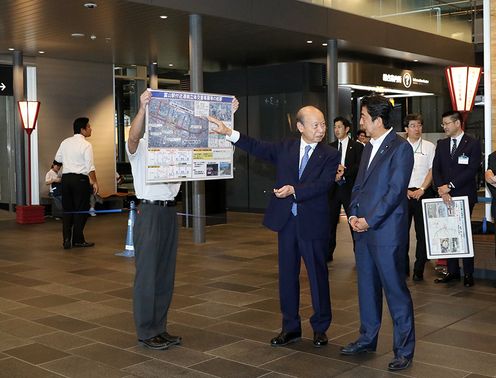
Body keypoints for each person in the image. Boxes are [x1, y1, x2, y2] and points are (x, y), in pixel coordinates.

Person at [209, 105, 340, 348]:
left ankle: (320, 328)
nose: (321, 130)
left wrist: (295, 190)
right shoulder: (286, 148)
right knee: (287, 276)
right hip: (287, 222)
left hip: (313, 223)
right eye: (316, 125)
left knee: (317, 276)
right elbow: (257, 146)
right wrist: (229, 132)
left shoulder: (330, 154)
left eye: (323, 124)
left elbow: (324, 186)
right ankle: (290, 327)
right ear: (300, 127)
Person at [340, 95, 415, 372]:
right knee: (367, 288)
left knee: (395, 291)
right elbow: (359, 186)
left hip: (386, 233)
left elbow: (395, 192)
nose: (360, 122)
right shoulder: (368, 147)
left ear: (378, 120)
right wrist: (354, 215)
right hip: (363, 230)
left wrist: (369, 220)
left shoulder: (400, 148)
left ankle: (404, 350)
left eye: (363, 117)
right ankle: (367, 338)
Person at [127, 90, 182, 351]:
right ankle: (146, 330)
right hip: (148, 212)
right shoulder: (143, 144)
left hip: (170, 212)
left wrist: (230, 113)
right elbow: (133, 136)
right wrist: (141, 108)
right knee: (148, 273)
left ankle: (159, 327)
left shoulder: (179, 145)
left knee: (165, 274)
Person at [432, 110, 481, 287]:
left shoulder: (472, 144)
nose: (444, 127)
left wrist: (450, 186)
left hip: (464, 195)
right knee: (447, 233)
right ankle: (452, 271)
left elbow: (471, 170)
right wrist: (442, 190)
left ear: (457, 123)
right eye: (443, 124)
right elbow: (436, 169)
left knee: (463, 234)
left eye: (447, 123)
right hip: (445, 197)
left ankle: (468, 273)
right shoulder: (442, 144)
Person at [55, 117, 98, 249]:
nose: (91, 129)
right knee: (81, 210)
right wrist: (95, 182)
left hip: (66, 179)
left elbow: (57, 161)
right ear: (82, 130)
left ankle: (66, 239)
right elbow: (90, 166)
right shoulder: (86, 145)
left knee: (67, 210)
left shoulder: (65, 142)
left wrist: (52, 172)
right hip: (80, 180)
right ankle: (78, 239)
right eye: (89, 126)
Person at [403, 114, 436, 281]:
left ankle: (419, 269)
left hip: (423, 193)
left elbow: (432, 170)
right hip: (404, 194)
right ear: (406, 129)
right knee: (402, 232)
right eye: (413, 125)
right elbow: (396, 172)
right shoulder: (400, 146)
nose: (417, 129)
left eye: (419, 125)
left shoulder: (430, 146)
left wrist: (422, 188)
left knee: (422, 234)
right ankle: (403, 268)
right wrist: (404, 190)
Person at [328, 116, 363, 261]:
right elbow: (325, 167)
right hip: (333, 190)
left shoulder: (357, 147)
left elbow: (360, 166)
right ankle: (327, 253)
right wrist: (334, 174)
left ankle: (359, 253)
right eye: (335, 127)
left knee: (353, 222)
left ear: (347, 129)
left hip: (349, 190)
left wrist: (344, 171)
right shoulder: (329, 147)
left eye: (339, 127)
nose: (336, 130)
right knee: (329, 223)